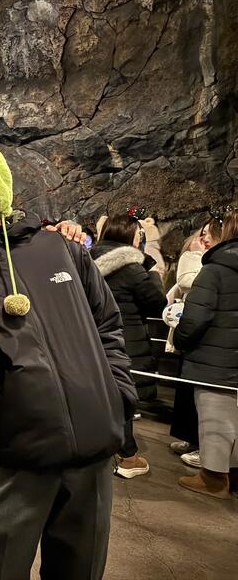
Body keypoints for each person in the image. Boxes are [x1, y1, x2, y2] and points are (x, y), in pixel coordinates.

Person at [0, 132, 135, 579]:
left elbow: (108, 325)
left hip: (93, 449)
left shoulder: (59, 248)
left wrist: (118, 396)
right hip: (12, 455)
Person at [91, 212, 167, 478]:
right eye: (138, 234)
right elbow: (157, 303)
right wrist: (154, 273)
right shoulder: (133, 269)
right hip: (125, 341)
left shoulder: (84, 261)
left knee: (96, 394)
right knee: (122, 398)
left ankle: (94, 448)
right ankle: (128, 457)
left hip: (90, 338)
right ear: (130, 236)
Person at [175, 206, 238, 499]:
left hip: (215, 360)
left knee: (215, 416)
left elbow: (195, 318)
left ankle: (213, 478)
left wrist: (182, 340)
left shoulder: (215, 270)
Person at [164, 224, 209, 463]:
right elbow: (183, 283)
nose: (204, 238)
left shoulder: (214, 264)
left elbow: (188, 281)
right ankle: (191, 438)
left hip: (209, 334)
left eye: (209, 234)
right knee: (188, 388)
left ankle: (208, 451)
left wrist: (194, 258)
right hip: (192, 328)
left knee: (208, 396)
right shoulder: (202, 259)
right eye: (203, 233)